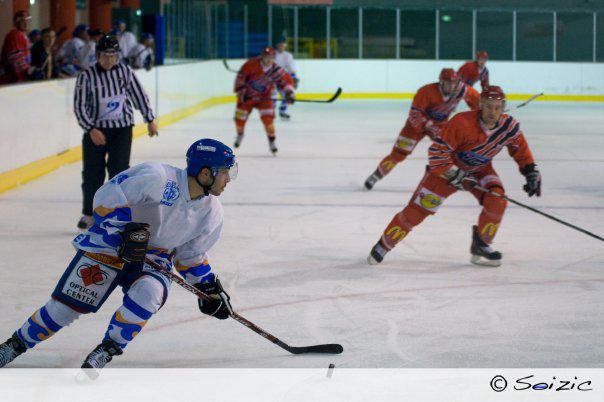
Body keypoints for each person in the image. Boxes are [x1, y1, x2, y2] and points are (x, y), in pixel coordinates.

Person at [0, 139, 238, 374]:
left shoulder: (212, 213)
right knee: (66, 308)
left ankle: (107, 348)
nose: (228, 179)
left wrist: (207, 288)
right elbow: (108, 196)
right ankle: (14, 345)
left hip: (155, 258)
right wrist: (123, 231)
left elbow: (190, 256)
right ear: (206, 174)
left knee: (150, 293)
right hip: (110, 245)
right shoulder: (157, 176)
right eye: (225, 172)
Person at [367, 86, 541, 267]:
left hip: (480, 170)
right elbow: (437, 154)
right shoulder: (461, 122)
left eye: (497, 107)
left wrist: (530, 170)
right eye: (489, 106)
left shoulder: (509, 127)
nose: (493, 112)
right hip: (445, 171)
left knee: (497, 198)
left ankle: (482, 244)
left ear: (503, 107)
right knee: (417, 212)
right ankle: (384, 245)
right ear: (481, 104)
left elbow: (520, 148)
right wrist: (455, 174)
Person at [74, 35, 158, 230]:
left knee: (119, 173)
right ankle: (89, 213)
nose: (110, 60)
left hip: (122, 129)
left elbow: (139, 96)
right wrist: (91, 129)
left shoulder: (125, 72)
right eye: (105, 56)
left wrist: (150, 119)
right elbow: (79, 107)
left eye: (113, 56)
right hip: (96, 131)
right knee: (92, 174)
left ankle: (117, 212)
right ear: (97, 55)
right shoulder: (86, 76)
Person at [364, 69, 480, 190]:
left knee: (449, 152)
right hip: (414, 127)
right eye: (448, 83)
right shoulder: (426, 91)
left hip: (440, 125)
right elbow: (414, 114)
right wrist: (428, 125)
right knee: (398, 154)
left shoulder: (463, 90)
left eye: (454, 83)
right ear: (441, 82)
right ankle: (376, 175)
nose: (452, 87)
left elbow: (478, 102)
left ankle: (444, 179)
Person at [234, 46, 295, 155]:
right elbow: (240, 78)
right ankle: (240, 134)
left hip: (265, 98)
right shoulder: (251, 64)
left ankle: (272, 141)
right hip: (249, 96)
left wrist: (289, 93)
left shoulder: (276, 70)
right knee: (240, 118)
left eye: (271, 57)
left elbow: (286, 82)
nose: (268, 60)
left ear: (274, 58)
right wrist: (242, 93)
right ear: (262, 56)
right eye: (266, 57)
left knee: (268, 120)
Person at [0, 10, 31, 84]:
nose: (26, 23)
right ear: (16, 22)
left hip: (15, 78)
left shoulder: (23, 35)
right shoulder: (14, 35)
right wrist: (27, 73)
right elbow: (16, 58)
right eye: (23, 21)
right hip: (11, 78)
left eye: (27, 20)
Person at [274, 36, 298, 120]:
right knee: (272, 95)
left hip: (283, 79)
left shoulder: (288, 56)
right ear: (277, 46)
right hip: (272, 79)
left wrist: (294, 78)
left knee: (287, 95)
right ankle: (271, 111)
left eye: (282, 45)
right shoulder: (273, 54)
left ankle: (282, 111)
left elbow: (292, 69)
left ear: (285, 45)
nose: (281, 46)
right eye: (279, 45)